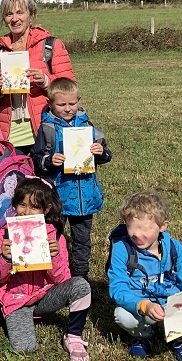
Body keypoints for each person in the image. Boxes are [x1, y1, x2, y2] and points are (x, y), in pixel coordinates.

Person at [108, 191, 182, 361]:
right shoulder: (122, 248)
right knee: (122, 315)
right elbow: (118, 287)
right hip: (143, 306)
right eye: (132, 227)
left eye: (146, 229)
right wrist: (142, 305)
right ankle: (143, 336)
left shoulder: (174, 248)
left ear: (163, 226)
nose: (138, 234)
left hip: (175, 305)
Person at [0, 178, 92, 361]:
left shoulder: (53, 236)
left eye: (34, 207)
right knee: (25, 348)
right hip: (17, 301)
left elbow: (62, 280)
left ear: (45, 210)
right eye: (22, 205)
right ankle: (21, 319)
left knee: (81, 285)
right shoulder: (4, 234)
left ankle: (73, 336)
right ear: (14, 205)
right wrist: (6, 259)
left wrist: (53, 256)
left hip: (45, 296)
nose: (27, 212)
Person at [31, 77, 112, 281]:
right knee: (53, 238)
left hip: (85, 196)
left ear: (79, 100)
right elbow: (36, 159)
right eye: (61, 104)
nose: (67, 108)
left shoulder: (88, 126)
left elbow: (106, 155)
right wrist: (50, 160)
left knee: (82, 241)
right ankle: (54, 277)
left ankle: (80, 278)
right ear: (50, 104)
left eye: (72, 103)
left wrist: (100, 152)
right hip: (58, 197)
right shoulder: (47, 129)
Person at [0, 0, 75, 155]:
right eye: (9, 14)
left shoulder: (51, 45)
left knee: (44, 180)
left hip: (45, 128)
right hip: (10, 134)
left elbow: (70, 88)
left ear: (31, 16)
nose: (15, 19)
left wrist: (46, 81)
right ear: (4, 19)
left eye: (20, 12)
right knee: (12, 181)